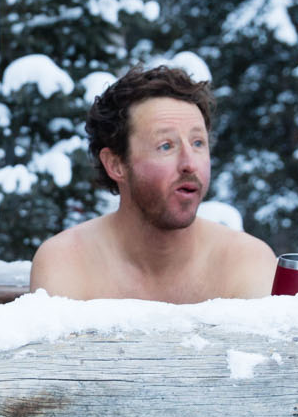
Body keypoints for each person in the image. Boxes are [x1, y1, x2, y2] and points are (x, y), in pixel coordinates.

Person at [29, 65, 277, 302]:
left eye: (198, 143)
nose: (189, 163)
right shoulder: (68, 262)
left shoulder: (246, 262)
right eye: (166, 146)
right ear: (116, 164)